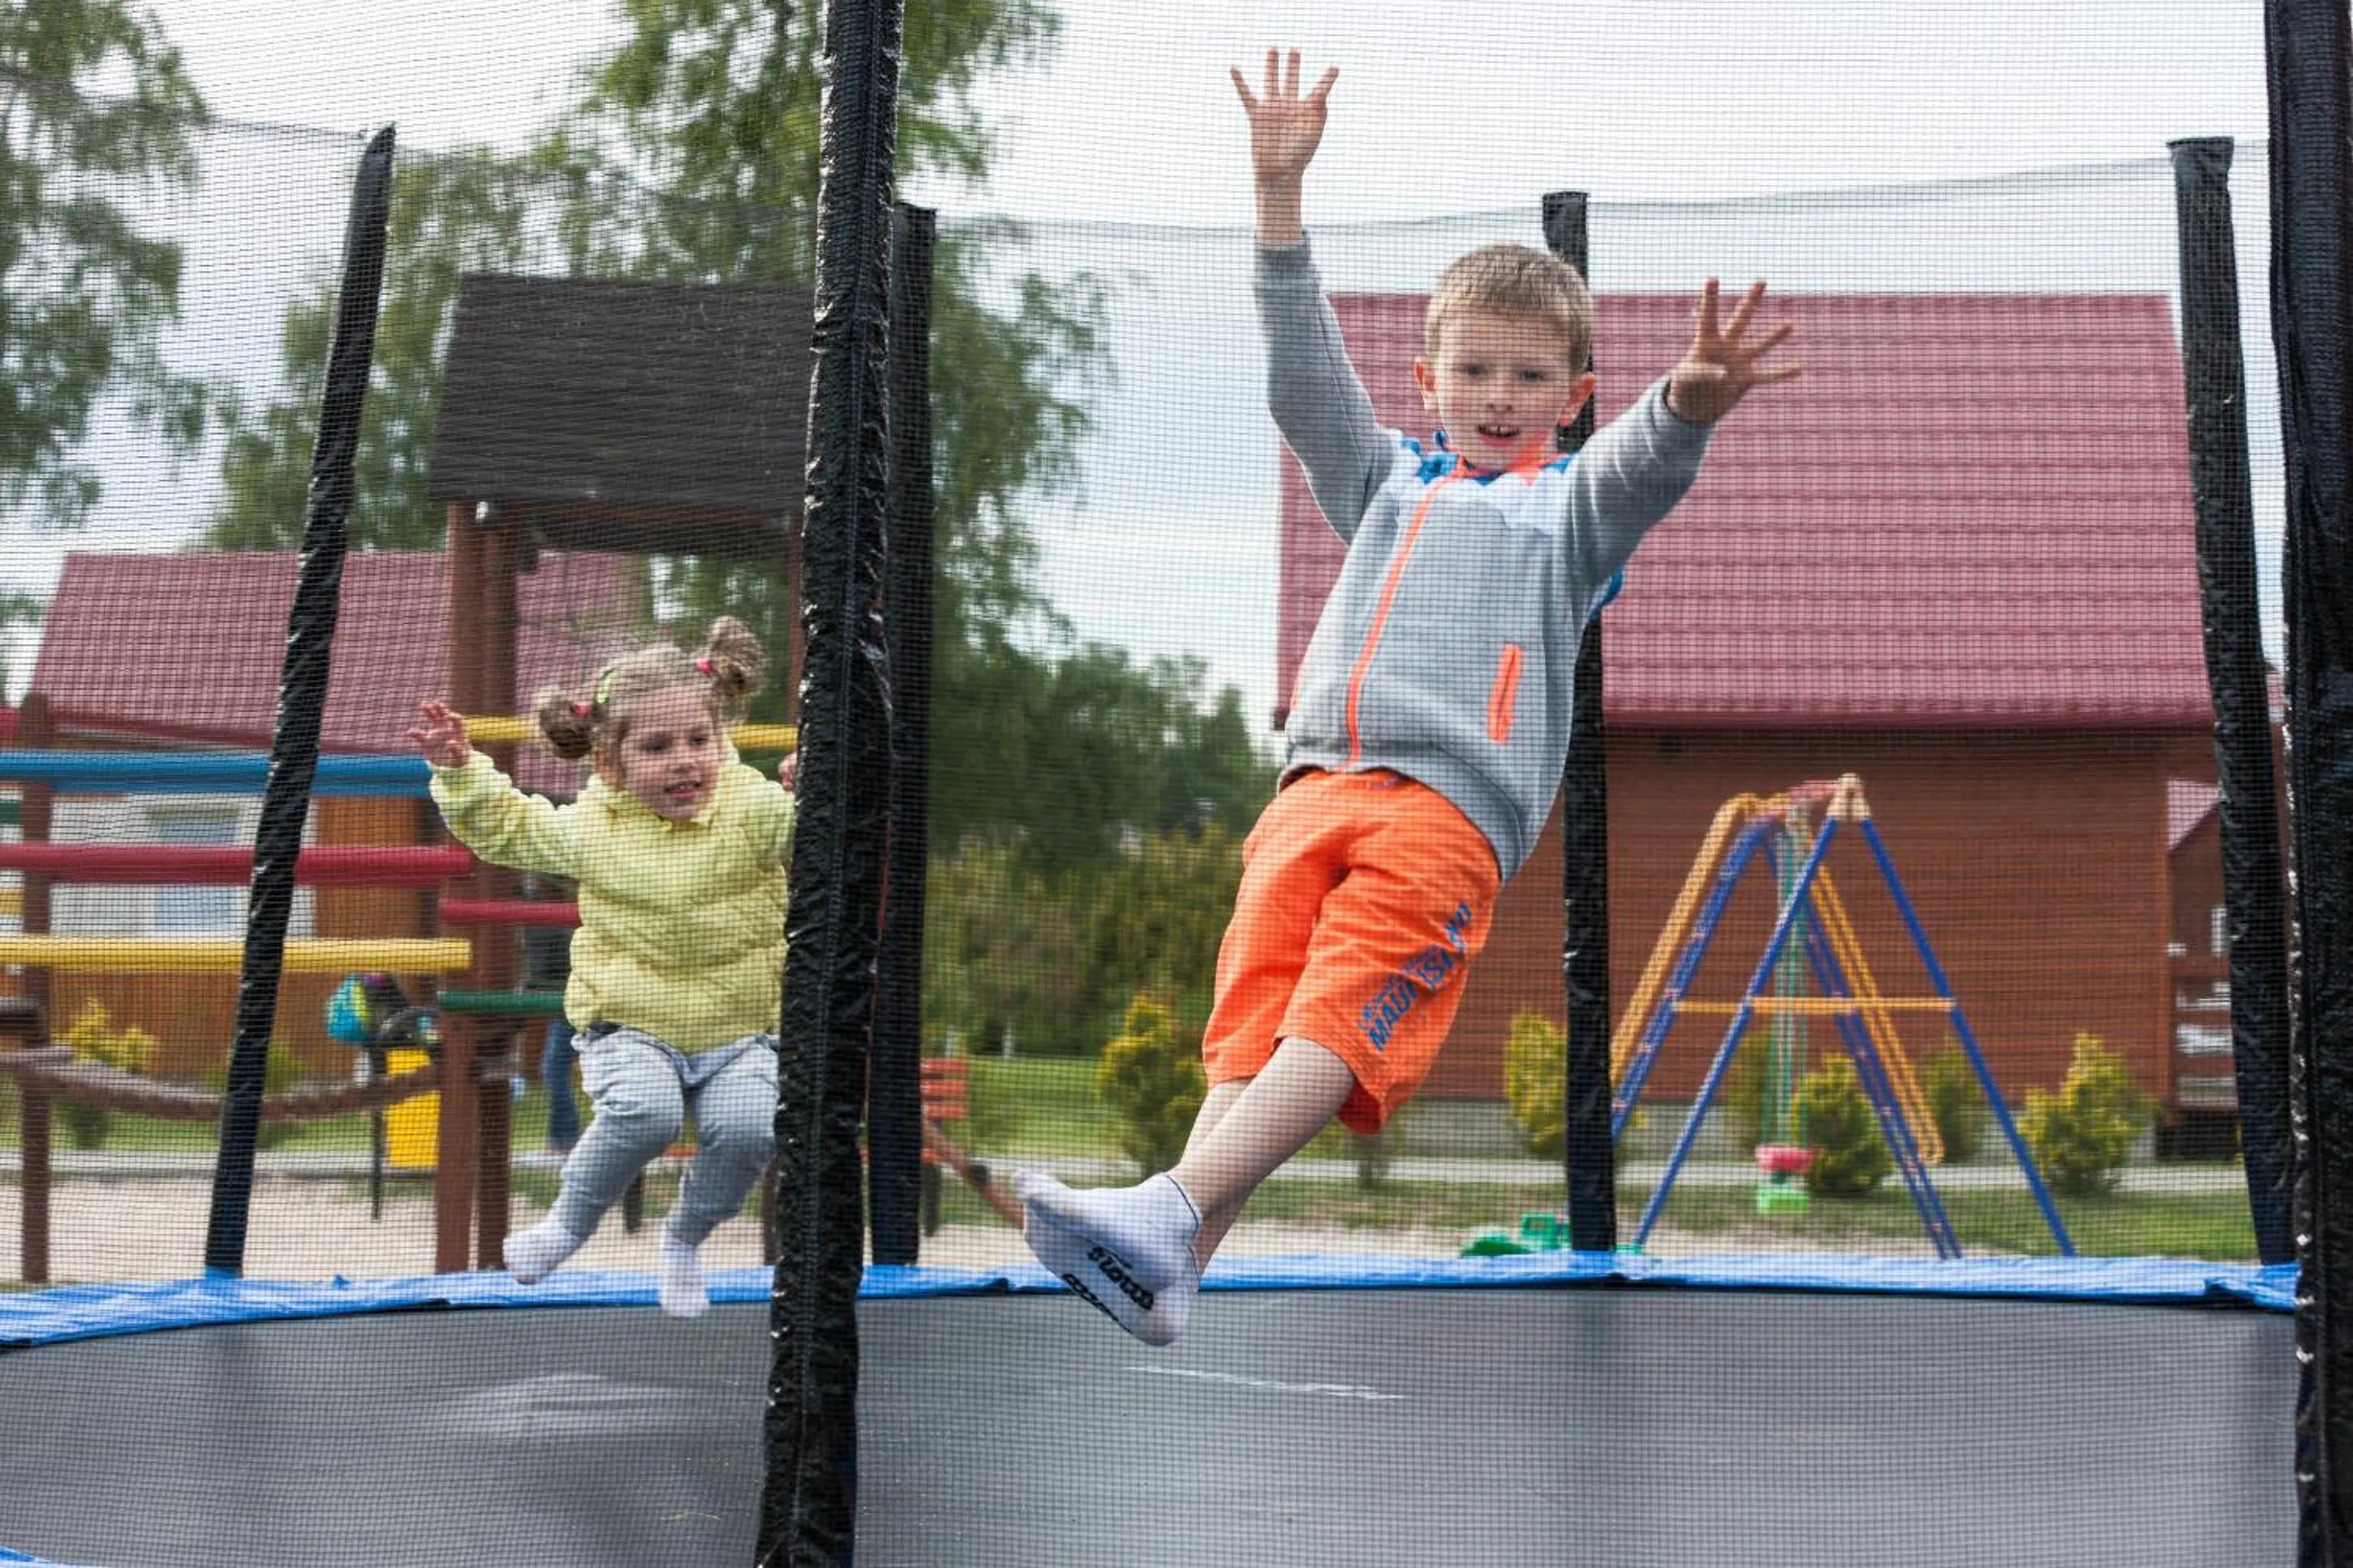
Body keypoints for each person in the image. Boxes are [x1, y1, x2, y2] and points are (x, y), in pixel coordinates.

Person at [1015, 49, 1800, 1346]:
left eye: (1530, 378)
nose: (1499, 398)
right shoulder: (1384, 486)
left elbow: (1641, 471)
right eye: (1475, 371)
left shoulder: (1566, 517)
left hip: (1447, 812)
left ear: (1573, 399)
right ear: (1427, 382)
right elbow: (1301, 381)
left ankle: (1171, 1208)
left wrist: (1687, 405)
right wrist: (1279, 204)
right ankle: (1173, 1262)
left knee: (1337, 1011)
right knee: (1253, 1022)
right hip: (1314, 785)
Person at [407, 616, 795, 1318]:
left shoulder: (750, 808)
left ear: (720, 739)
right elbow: (510, 826)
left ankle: (684, 1238)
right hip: (630, 1023)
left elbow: (808, 830)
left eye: (699, 740)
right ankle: (566, 1225)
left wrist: (811, 792)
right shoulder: (594, 827)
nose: (684, 760)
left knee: (749, 1129)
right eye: (657, 746)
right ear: (610, 761)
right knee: (646, 1113)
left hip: (740, 1030)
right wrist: (460, 770)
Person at [518, 872, 581, 1168]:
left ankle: (565, 1139)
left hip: (573, 1003)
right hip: (569, 1002)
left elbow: (540, 970)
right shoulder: (546, 915)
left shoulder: (544, 920)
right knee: (555, 1068)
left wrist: (528, 990)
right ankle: (564, 1138)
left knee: (554, 1069)